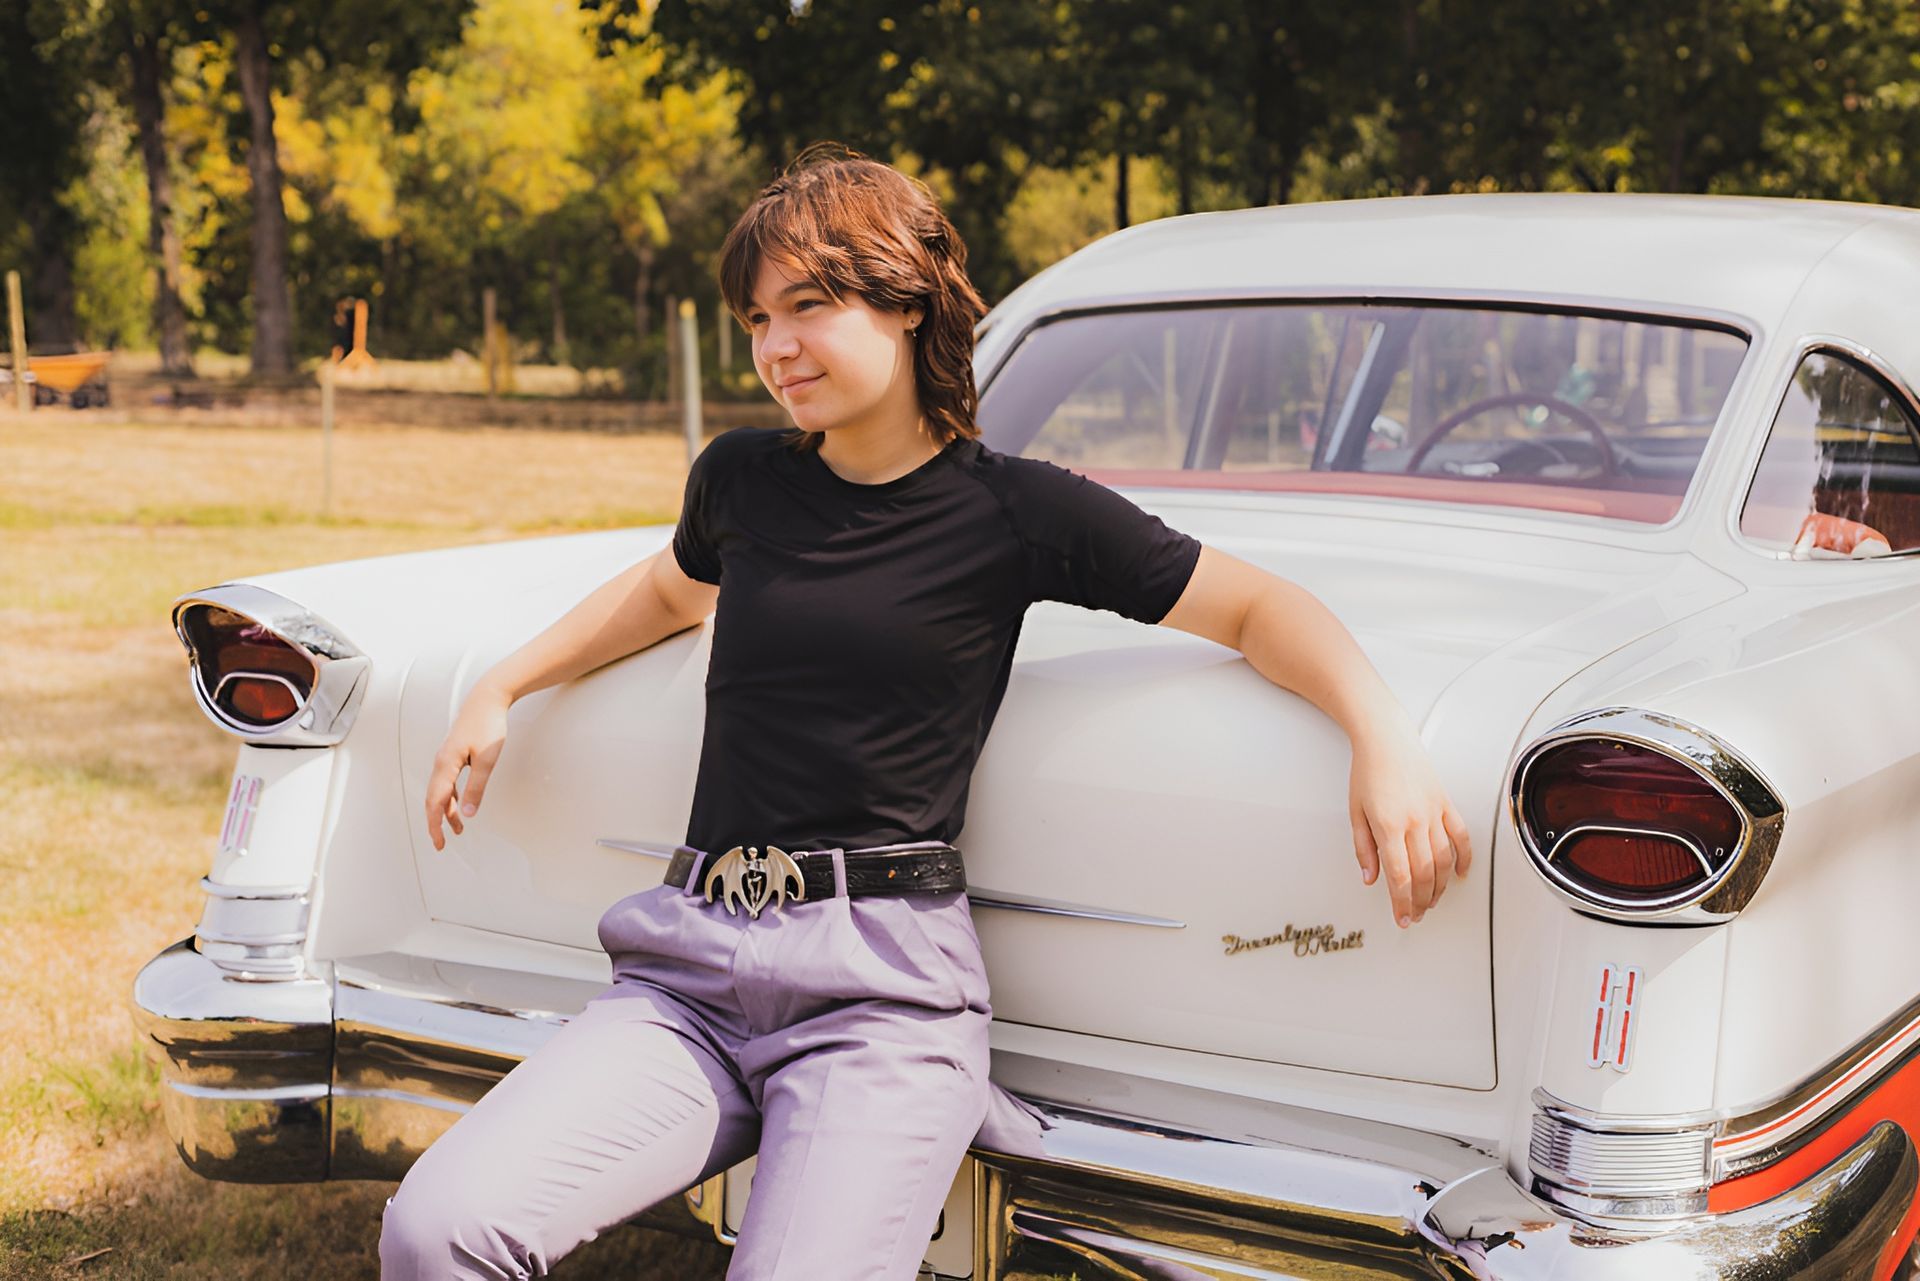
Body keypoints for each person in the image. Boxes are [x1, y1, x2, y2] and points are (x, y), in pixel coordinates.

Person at [378, 143, 1473, 1281]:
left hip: (879, 999)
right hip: (689, 967)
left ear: (904, 301)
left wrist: (1379, 736)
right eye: (757, 318)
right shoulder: (742, 480)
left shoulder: (1014, 512)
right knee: (438, 1227)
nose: (775, 347)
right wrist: (503, 683)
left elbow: (1257, 608)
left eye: (809, 305)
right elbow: (667, 590)